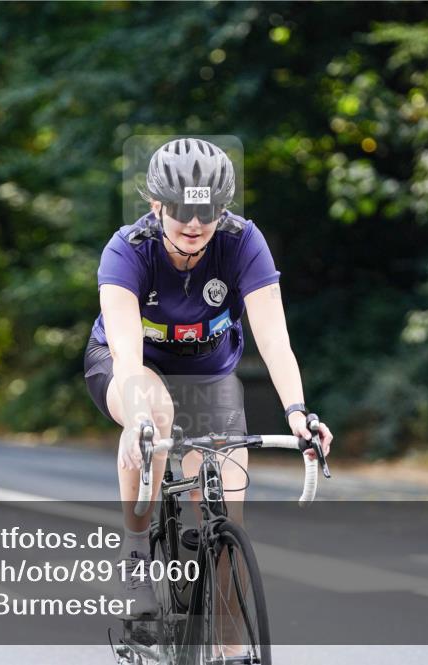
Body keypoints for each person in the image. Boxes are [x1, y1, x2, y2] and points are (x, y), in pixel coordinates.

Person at [85, 138, 333, 617]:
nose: (196, 225)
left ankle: (227, 647)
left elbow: (274, 338)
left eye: (210, 211)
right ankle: (136, 556)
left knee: (225, 518)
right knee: (154, 415)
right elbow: (127, 351)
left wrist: (298, 413)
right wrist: (139, 418)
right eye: (181, 211)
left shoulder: (242, 241)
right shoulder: (127, 250)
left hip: (208, 375)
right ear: (156, 205)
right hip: (134, 367)